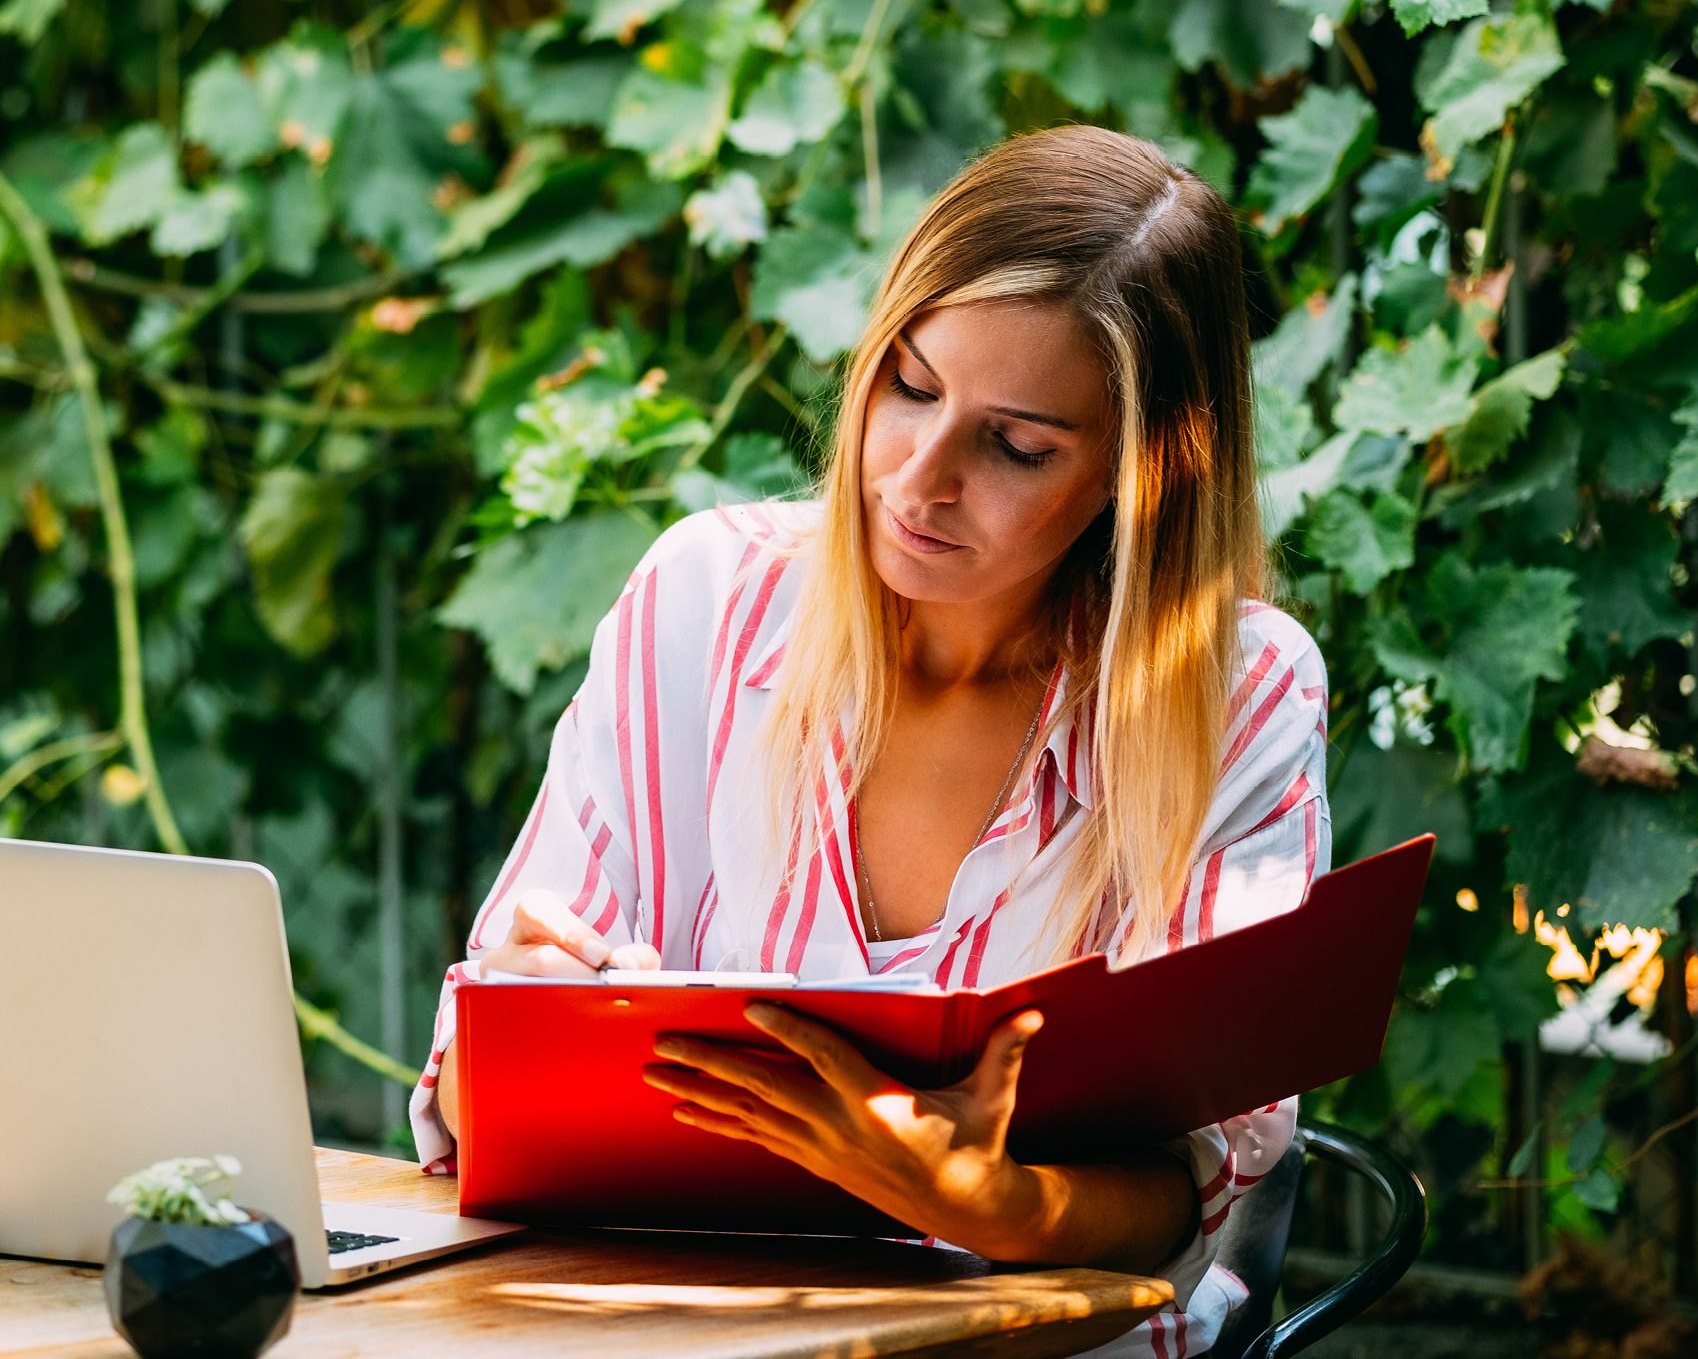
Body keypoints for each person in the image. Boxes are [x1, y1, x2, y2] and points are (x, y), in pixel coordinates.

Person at [410, 125, 1329, 1358]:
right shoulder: (709, 599)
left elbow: (1191, 1185)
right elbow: (471, 1102)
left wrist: (977, 1198)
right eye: (908, 385)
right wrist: (517, 1038)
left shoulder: (1231, 693)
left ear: (1146, 467)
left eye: (1016, 445)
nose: (917, 476)